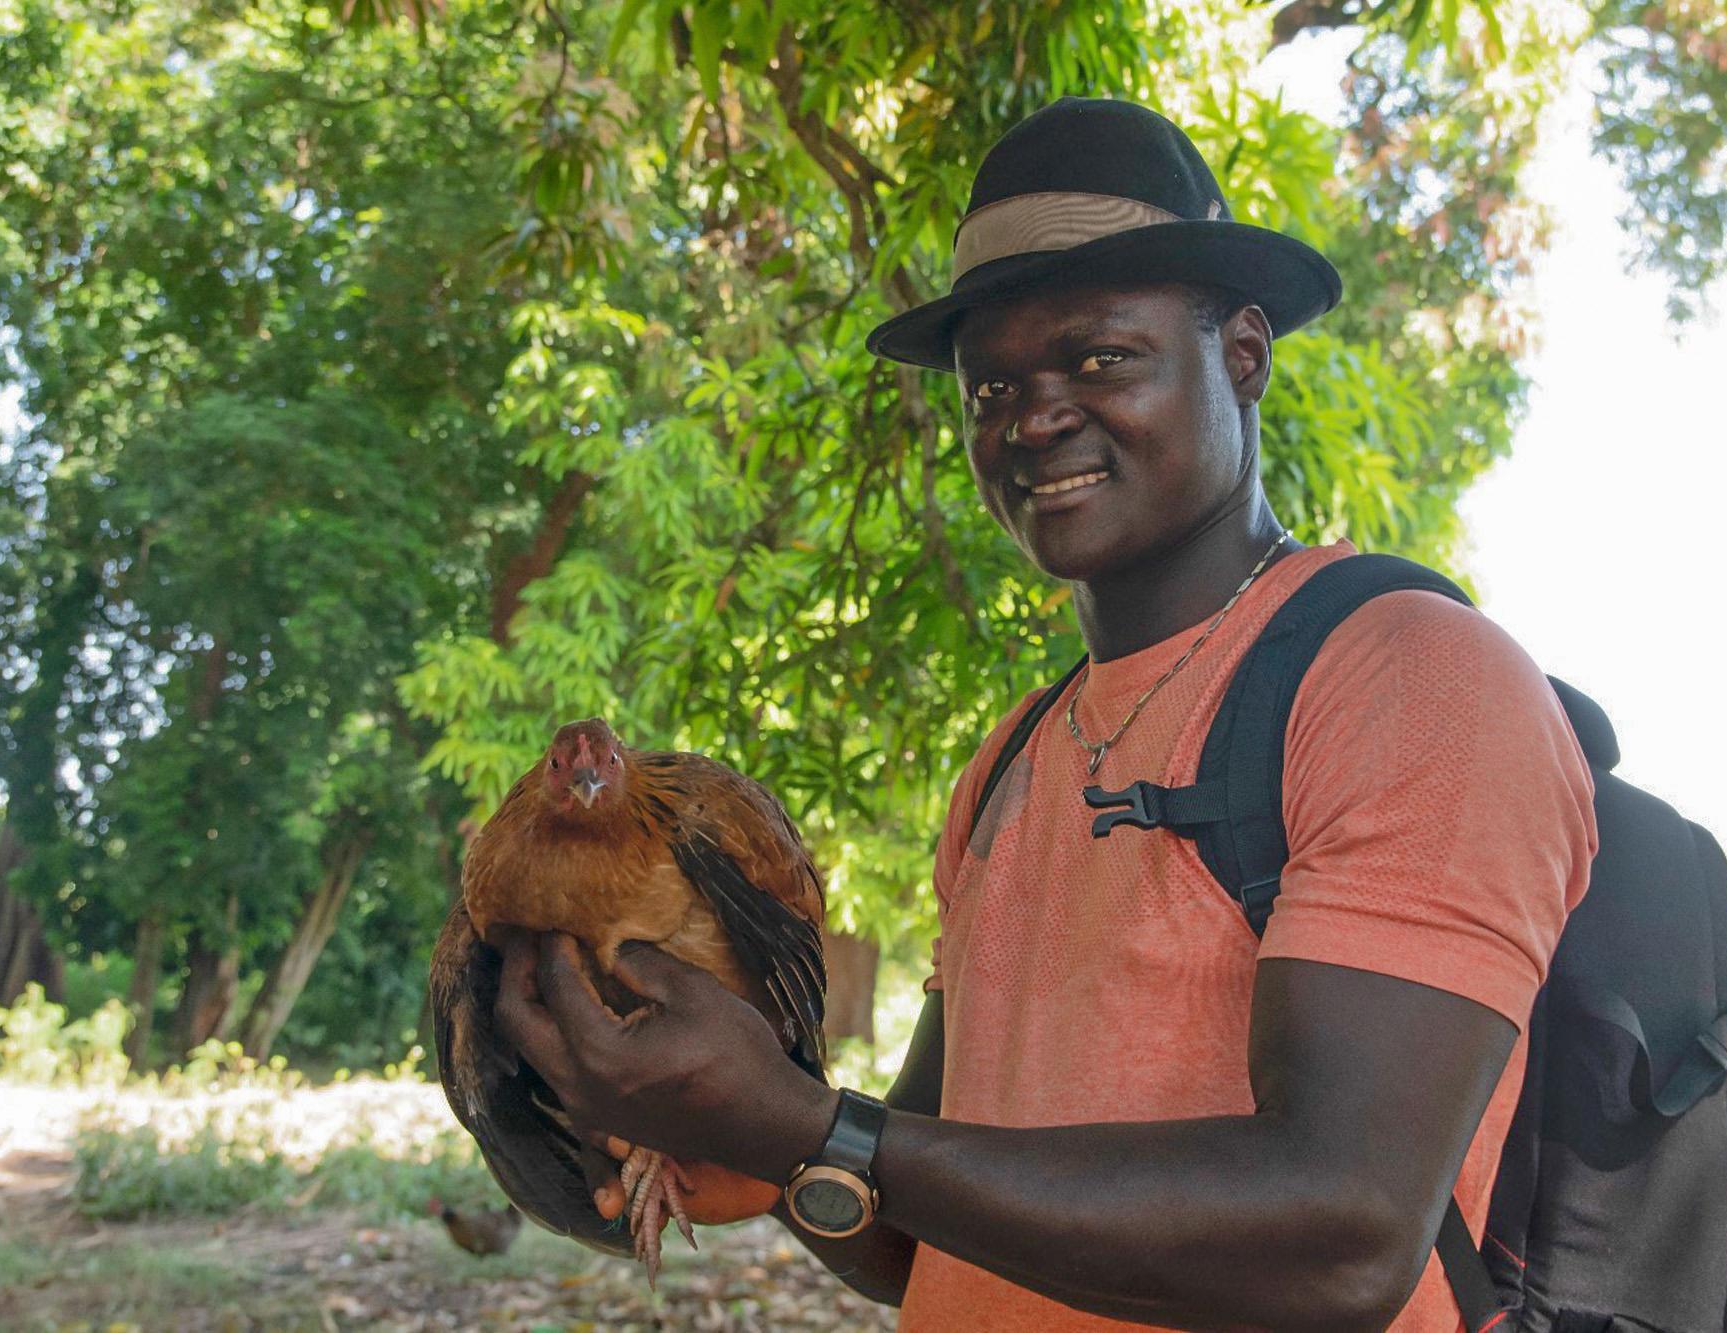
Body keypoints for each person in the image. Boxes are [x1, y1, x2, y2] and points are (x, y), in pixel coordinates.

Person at [494, 97, 1597, 1331]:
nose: (1031, 417)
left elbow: (1341, 1235)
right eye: (989, 388)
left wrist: (805, 1122)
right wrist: (724, 1136)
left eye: (1099, 357)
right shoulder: (1013, 759)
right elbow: (920, 1242)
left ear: (1240, 353)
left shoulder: (1407, 679)